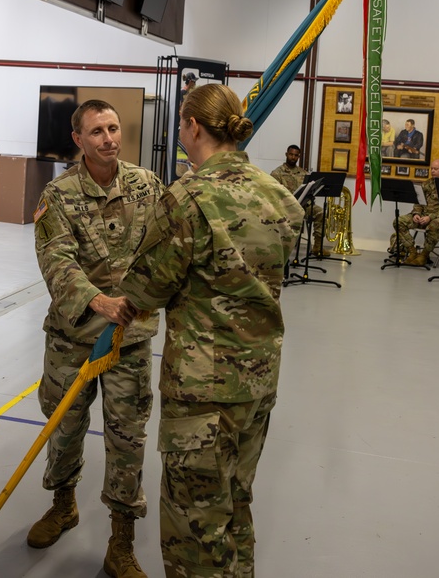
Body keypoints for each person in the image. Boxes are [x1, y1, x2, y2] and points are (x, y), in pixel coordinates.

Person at [120, 84, 304, 577]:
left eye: (180, 123)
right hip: (258, 380)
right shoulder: (280, 197)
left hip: (202, 389)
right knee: (236, 502)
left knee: (194, 525)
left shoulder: (187, 198)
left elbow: (146, 291)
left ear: (192, 127)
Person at [30, 99, 164, 577]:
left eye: (113, 128)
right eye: (97, 132)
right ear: (79, 140)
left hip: (129, 339)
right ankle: (63, 505)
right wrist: (96, 300)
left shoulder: (147, 185)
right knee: (63, 429)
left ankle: (121, 540)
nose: (109, 138)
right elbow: (55, 259)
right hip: (74, 336)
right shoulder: (59, 194)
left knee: (127, 438)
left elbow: (168, 245)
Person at [388, 157, 439, 266]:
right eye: (432, 169)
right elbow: (418, 202)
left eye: (436, 169)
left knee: (434, 225)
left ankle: (424, 255)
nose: (432, 171)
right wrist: (416, 213)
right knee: (399, 221)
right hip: (422, 216)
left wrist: (430, 217)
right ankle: (412, 251)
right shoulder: (426, 184)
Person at [271, 144, 328, 256]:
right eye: (291, 154)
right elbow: (273, 194)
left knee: (321, 212)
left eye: (296, 155)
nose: (293, 157)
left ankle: (317, 247)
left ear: (299, 157)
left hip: (303, 207)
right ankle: (281, 247)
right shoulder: (277, 173)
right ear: (286, 154)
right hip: (285, 209)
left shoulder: (304, 174)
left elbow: (310, 191)